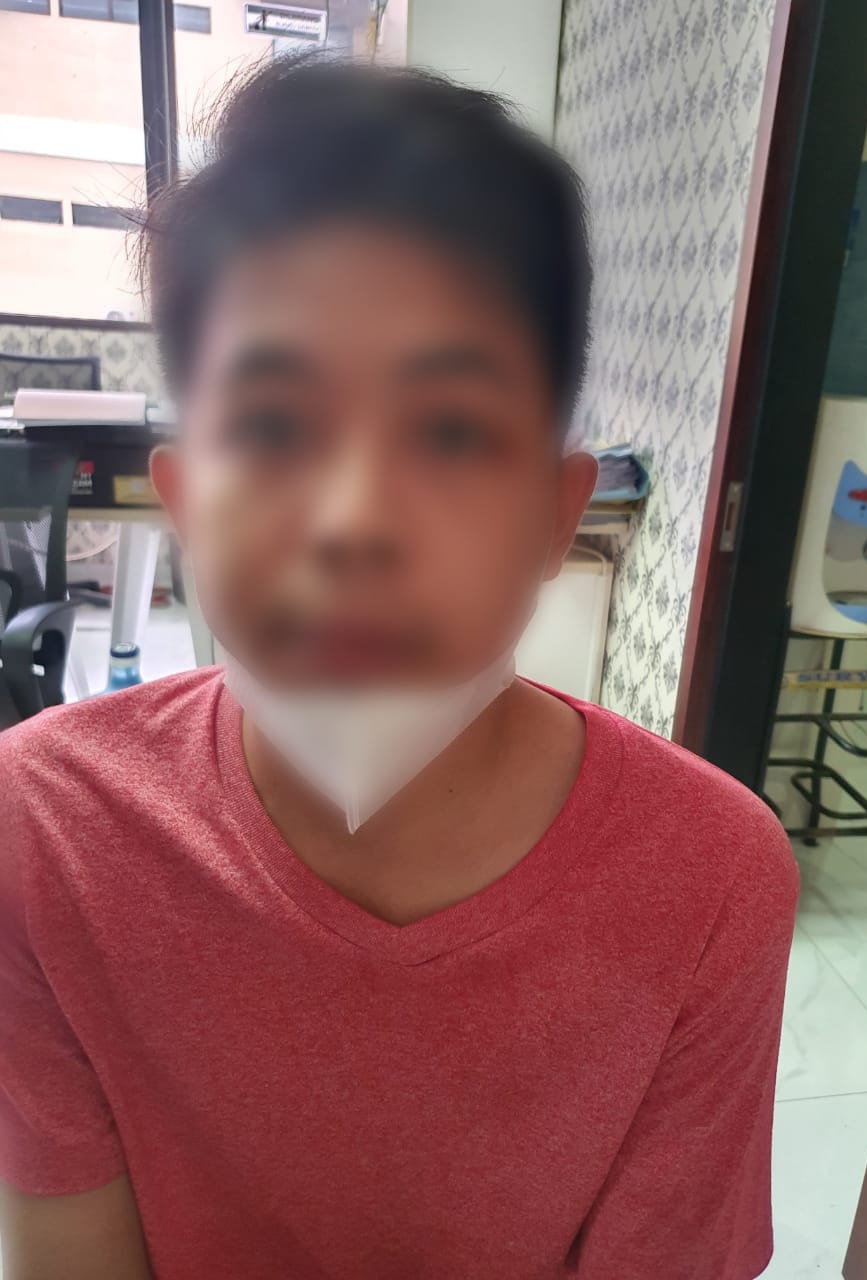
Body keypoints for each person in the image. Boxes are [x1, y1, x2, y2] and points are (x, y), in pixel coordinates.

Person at [0, 57, 798, 1280]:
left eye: (451, 431)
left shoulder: (709, 881)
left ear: (555, 515)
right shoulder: (42, 827)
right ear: (186, 504)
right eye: (273, 426)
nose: (355, 523)